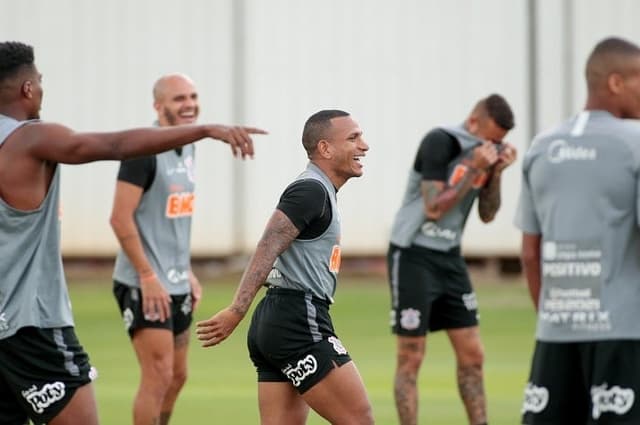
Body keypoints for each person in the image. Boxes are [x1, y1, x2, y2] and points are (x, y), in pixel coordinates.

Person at [0, 41, 264, 425]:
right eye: (39, 82)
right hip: (30, 320)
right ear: (27, 88)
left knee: (175, 375)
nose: (41, 88)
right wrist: (205, 130)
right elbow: (113, 146)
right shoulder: (30, 138)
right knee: (145, 383)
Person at [196, 110, 374, 425]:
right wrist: (237, 309)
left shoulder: (320, 191)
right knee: (359, 420)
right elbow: (268, 245)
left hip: (276, 320)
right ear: (325, 148)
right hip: (297, 319)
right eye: (353, 137)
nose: (365, 145)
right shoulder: (311, 190)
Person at [515, 36, 640, 424]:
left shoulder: (541, 146)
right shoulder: (635, 144)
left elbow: (530, 254)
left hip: (555, 334)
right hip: (625, 335)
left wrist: (552, 317)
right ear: (616, 82)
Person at [387, 94, 517, 425]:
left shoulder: (484, 157)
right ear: (474, 123)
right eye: (491, 139)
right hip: (414, 253)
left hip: (450, 258)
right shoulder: (440, 141)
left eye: (500, 143)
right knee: (411, 355)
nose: (494, 146)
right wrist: (475, 166)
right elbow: (432, 208)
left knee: (473, 355)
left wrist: (496, 172)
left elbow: (487, 214)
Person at [110, 74, 206, 425]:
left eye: (193, 96)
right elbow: (120, 219)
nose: (189, 104)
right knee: (158, 375)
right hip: (143, 283)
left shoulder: (190, 145)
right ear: (158, 105)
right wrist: (148, 275)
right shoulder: (143, 151)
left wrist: (187, 270)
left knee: (178, 376)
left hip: (176, 279)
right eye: (179, 98)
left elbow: (169, 219)